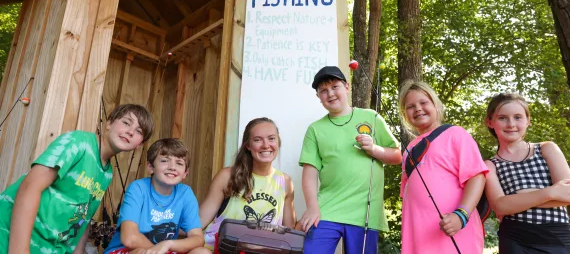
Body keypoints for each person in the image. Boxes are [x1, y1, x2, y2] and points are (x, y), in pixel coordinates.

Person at [0, 104, 154, 253]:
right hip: (9, 238)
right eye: (126, 123)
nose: (130, 132)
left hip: (49, 247)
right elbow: (30, 187)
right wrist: (19, 250)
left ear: (139, 145)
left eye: (138, 131)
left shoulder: (107, 173)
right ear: (109, 123)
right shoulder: (77, 143)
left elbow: (84, 215)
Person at [298, 66, 402, 254]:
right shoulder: (315, 129)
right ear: (318, 96)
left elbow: (397, 155)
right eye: (323, 90)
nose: (330, 93)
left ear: (346, 86)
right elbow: (310, 173)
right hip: (327, 209)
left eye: (335, 86)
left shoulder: (371, 117)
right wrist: (313, 207)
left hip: (365, 213)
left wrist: (374, 149)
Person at [398, 80, 488, 254]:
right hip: (418, 235)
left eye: (423, 103)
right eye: (410, 106)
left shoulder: (455, 134)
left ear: (436, 105)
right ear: (405, 114)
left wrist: (461, 215)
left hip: (454, 229)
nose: (417, 108)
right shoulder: (409, 149)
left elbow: (477, 176)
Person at [484, 93, 570, 253]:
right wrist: (551, 192)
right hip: (515, 238)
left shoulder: (547, 149)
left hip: (556, 235)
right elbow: (501, 206)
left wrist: (519, 199)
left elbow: (567, 195)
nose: (511, 124)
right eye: (502, 118)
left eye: (518, 117)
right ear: (490, 122)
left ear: (528, 121)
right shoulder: (490, 165)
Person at [200, 117, 296, 251]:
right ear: (248, 145)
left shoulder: (285, 182)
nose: (265, 145)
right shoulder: (228, 176)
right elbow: (199, 222)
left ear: (278, 142)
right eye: (257, 139)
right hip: (219, 248)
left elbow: (288, 232)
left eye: (271, 138)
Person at [104, 138, 209, 254]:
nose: (172, 167)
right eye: (164, 161)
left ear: (185, 173)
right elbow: (129, 239)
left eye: (179, 163)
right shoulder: (138, 188)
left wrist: (169, 244)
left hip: (164, 250)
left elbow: (198, 239)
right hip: (127, 251)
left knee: (202, 252)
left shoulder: (185, 193)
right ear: (150, 167)